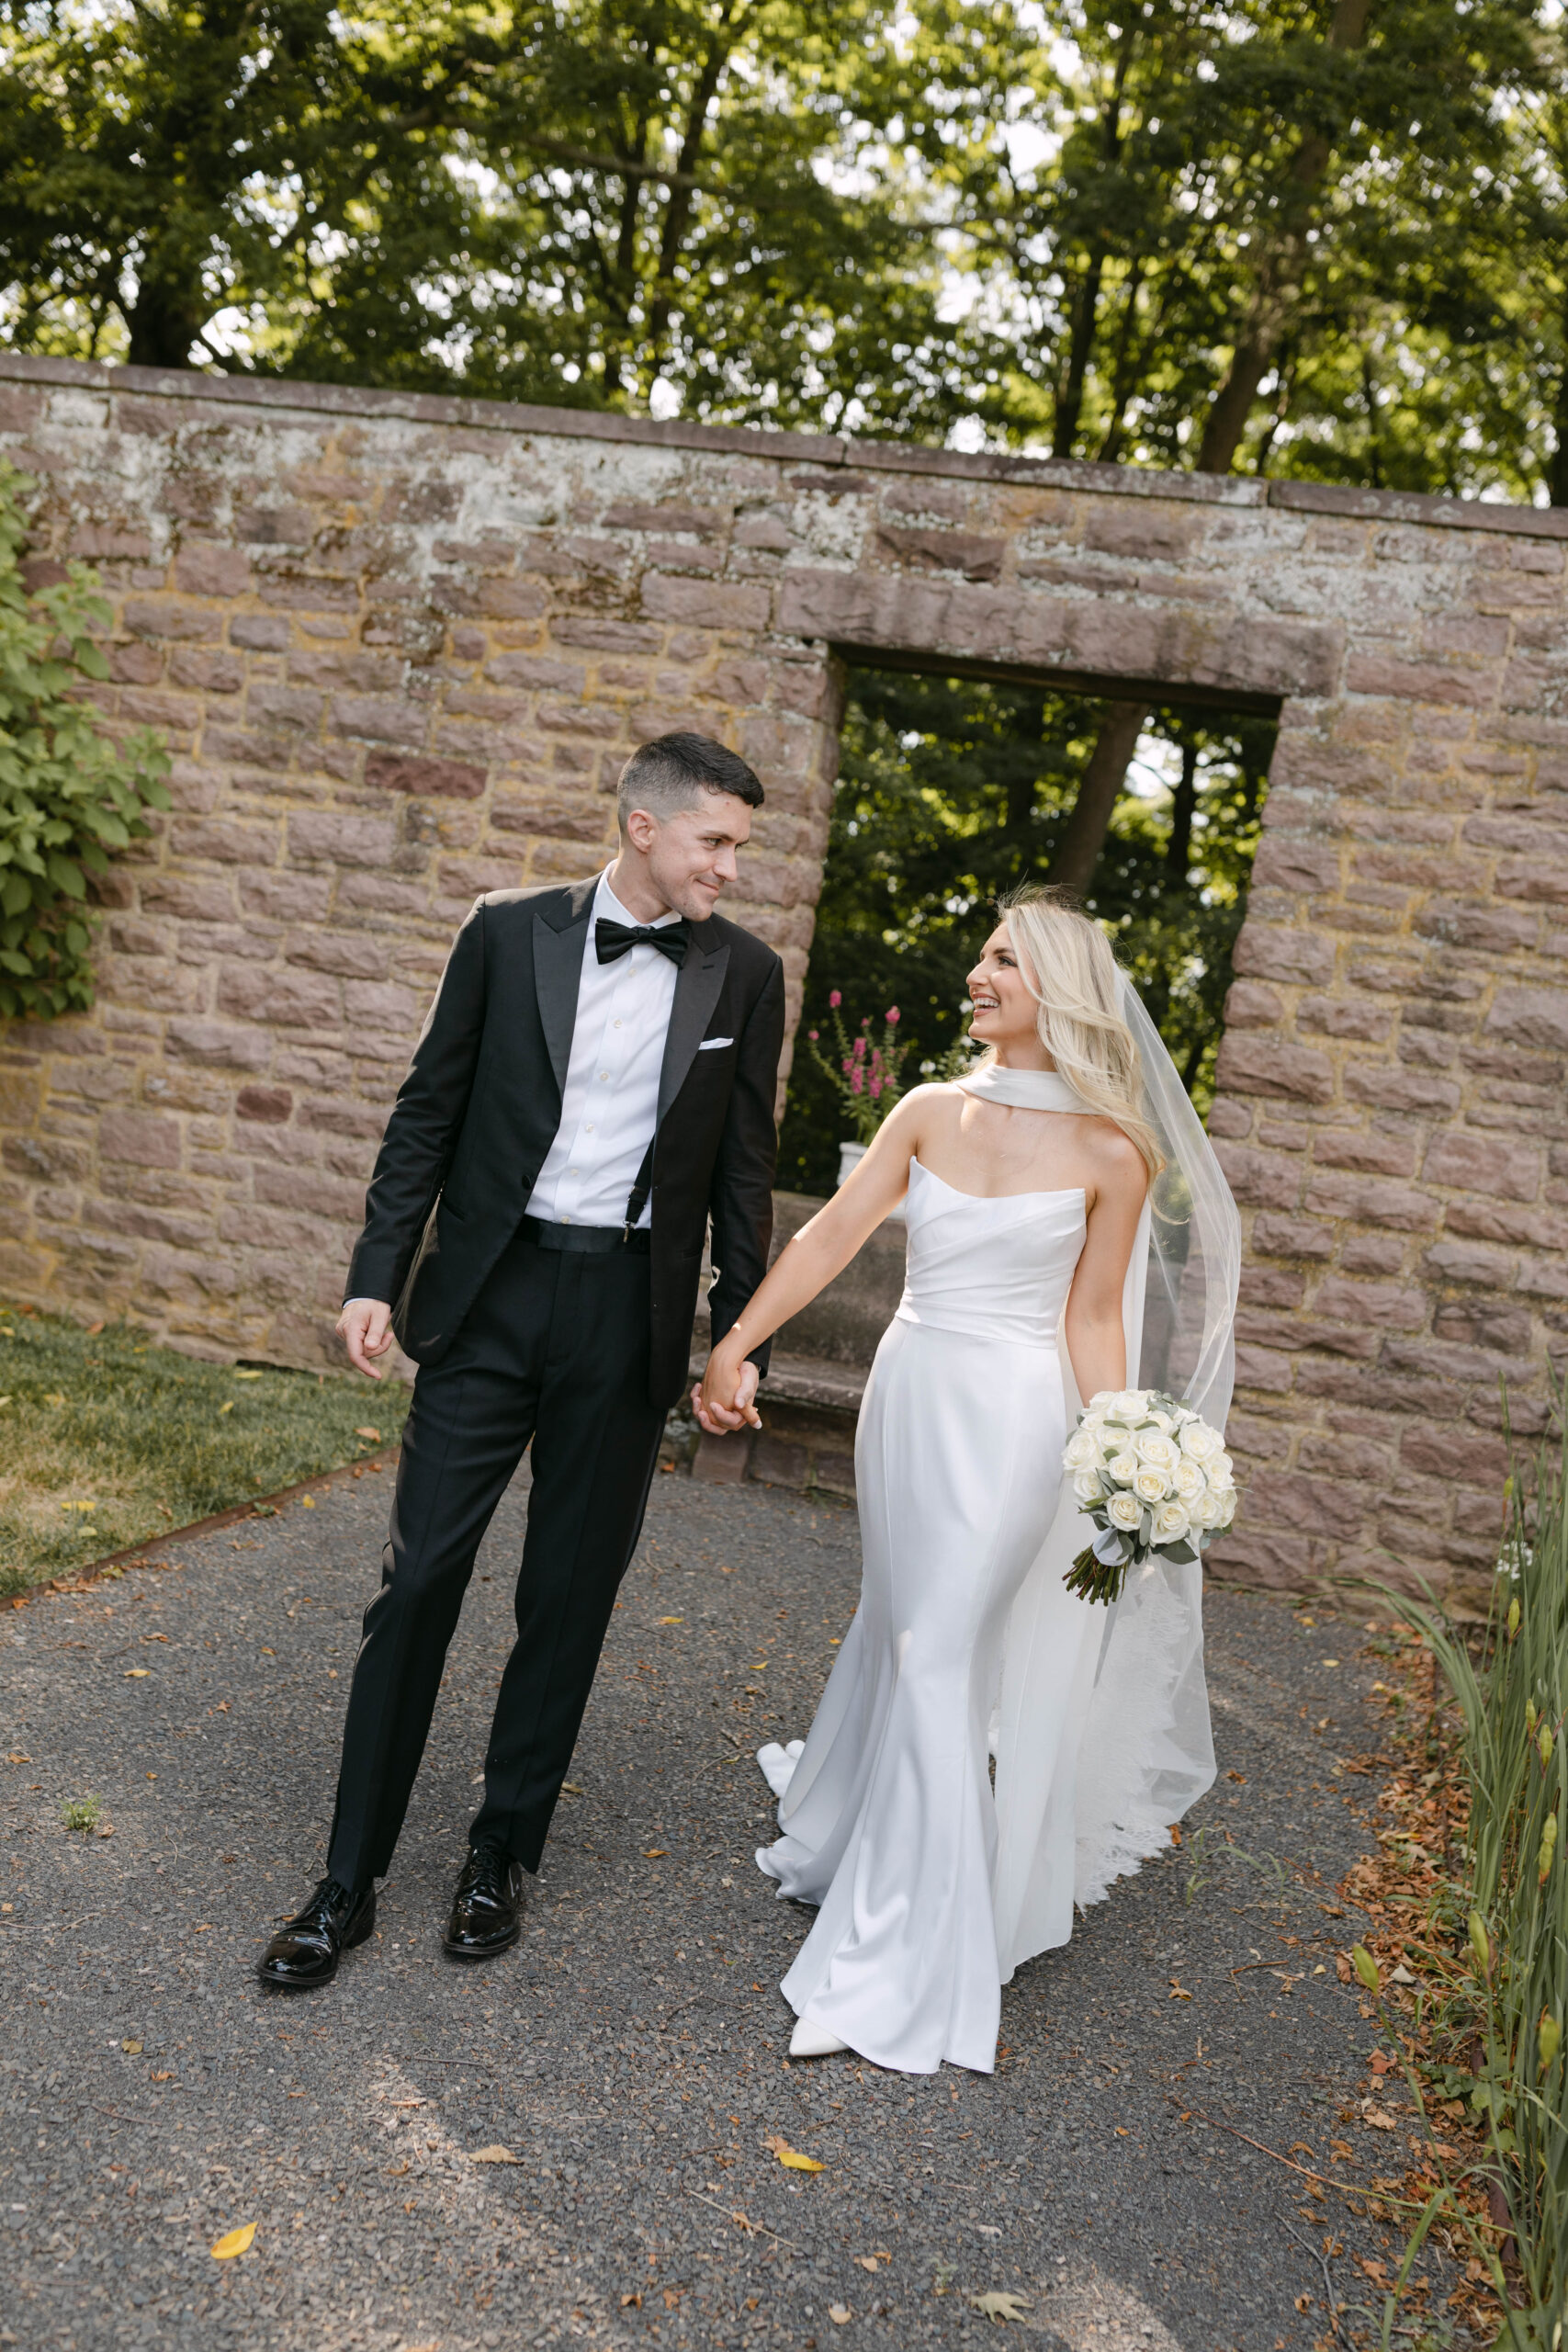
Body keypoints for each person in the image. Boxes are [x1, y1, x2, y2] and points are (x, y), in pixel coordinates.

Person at [258, 732, 785, 1989]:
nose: (730, 865)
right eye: (716, 840)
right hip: (491, 1301)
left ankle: (502, 1852)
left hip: (629, 1318)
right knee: (421, 1576)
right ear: (645, 826)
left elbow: (744, 1177)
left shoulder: (748, 975)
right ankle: (347, 1882)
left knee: (566, 1595)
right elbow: (426, 1109)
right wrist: (376, 1273)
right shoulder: (506, 932)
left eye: (739, 847)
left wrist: (738, 1343)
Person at [694, 885, 1238, 2075]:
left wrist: (1124, 1460)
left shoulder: (1115, 1151)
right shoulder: (930, 1111)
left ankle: (902, 1962)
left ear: (1061, 990)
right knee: (901, 1629)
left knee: (941, 1657)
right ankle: (865, 1839)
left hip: (1011, 1422)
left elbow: (1097, 1321)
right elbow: (829, 1236)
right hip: (909, 1397)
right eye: (982, 954)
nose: (978, 974)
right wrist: (736, 1343)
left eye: (1004, 959)